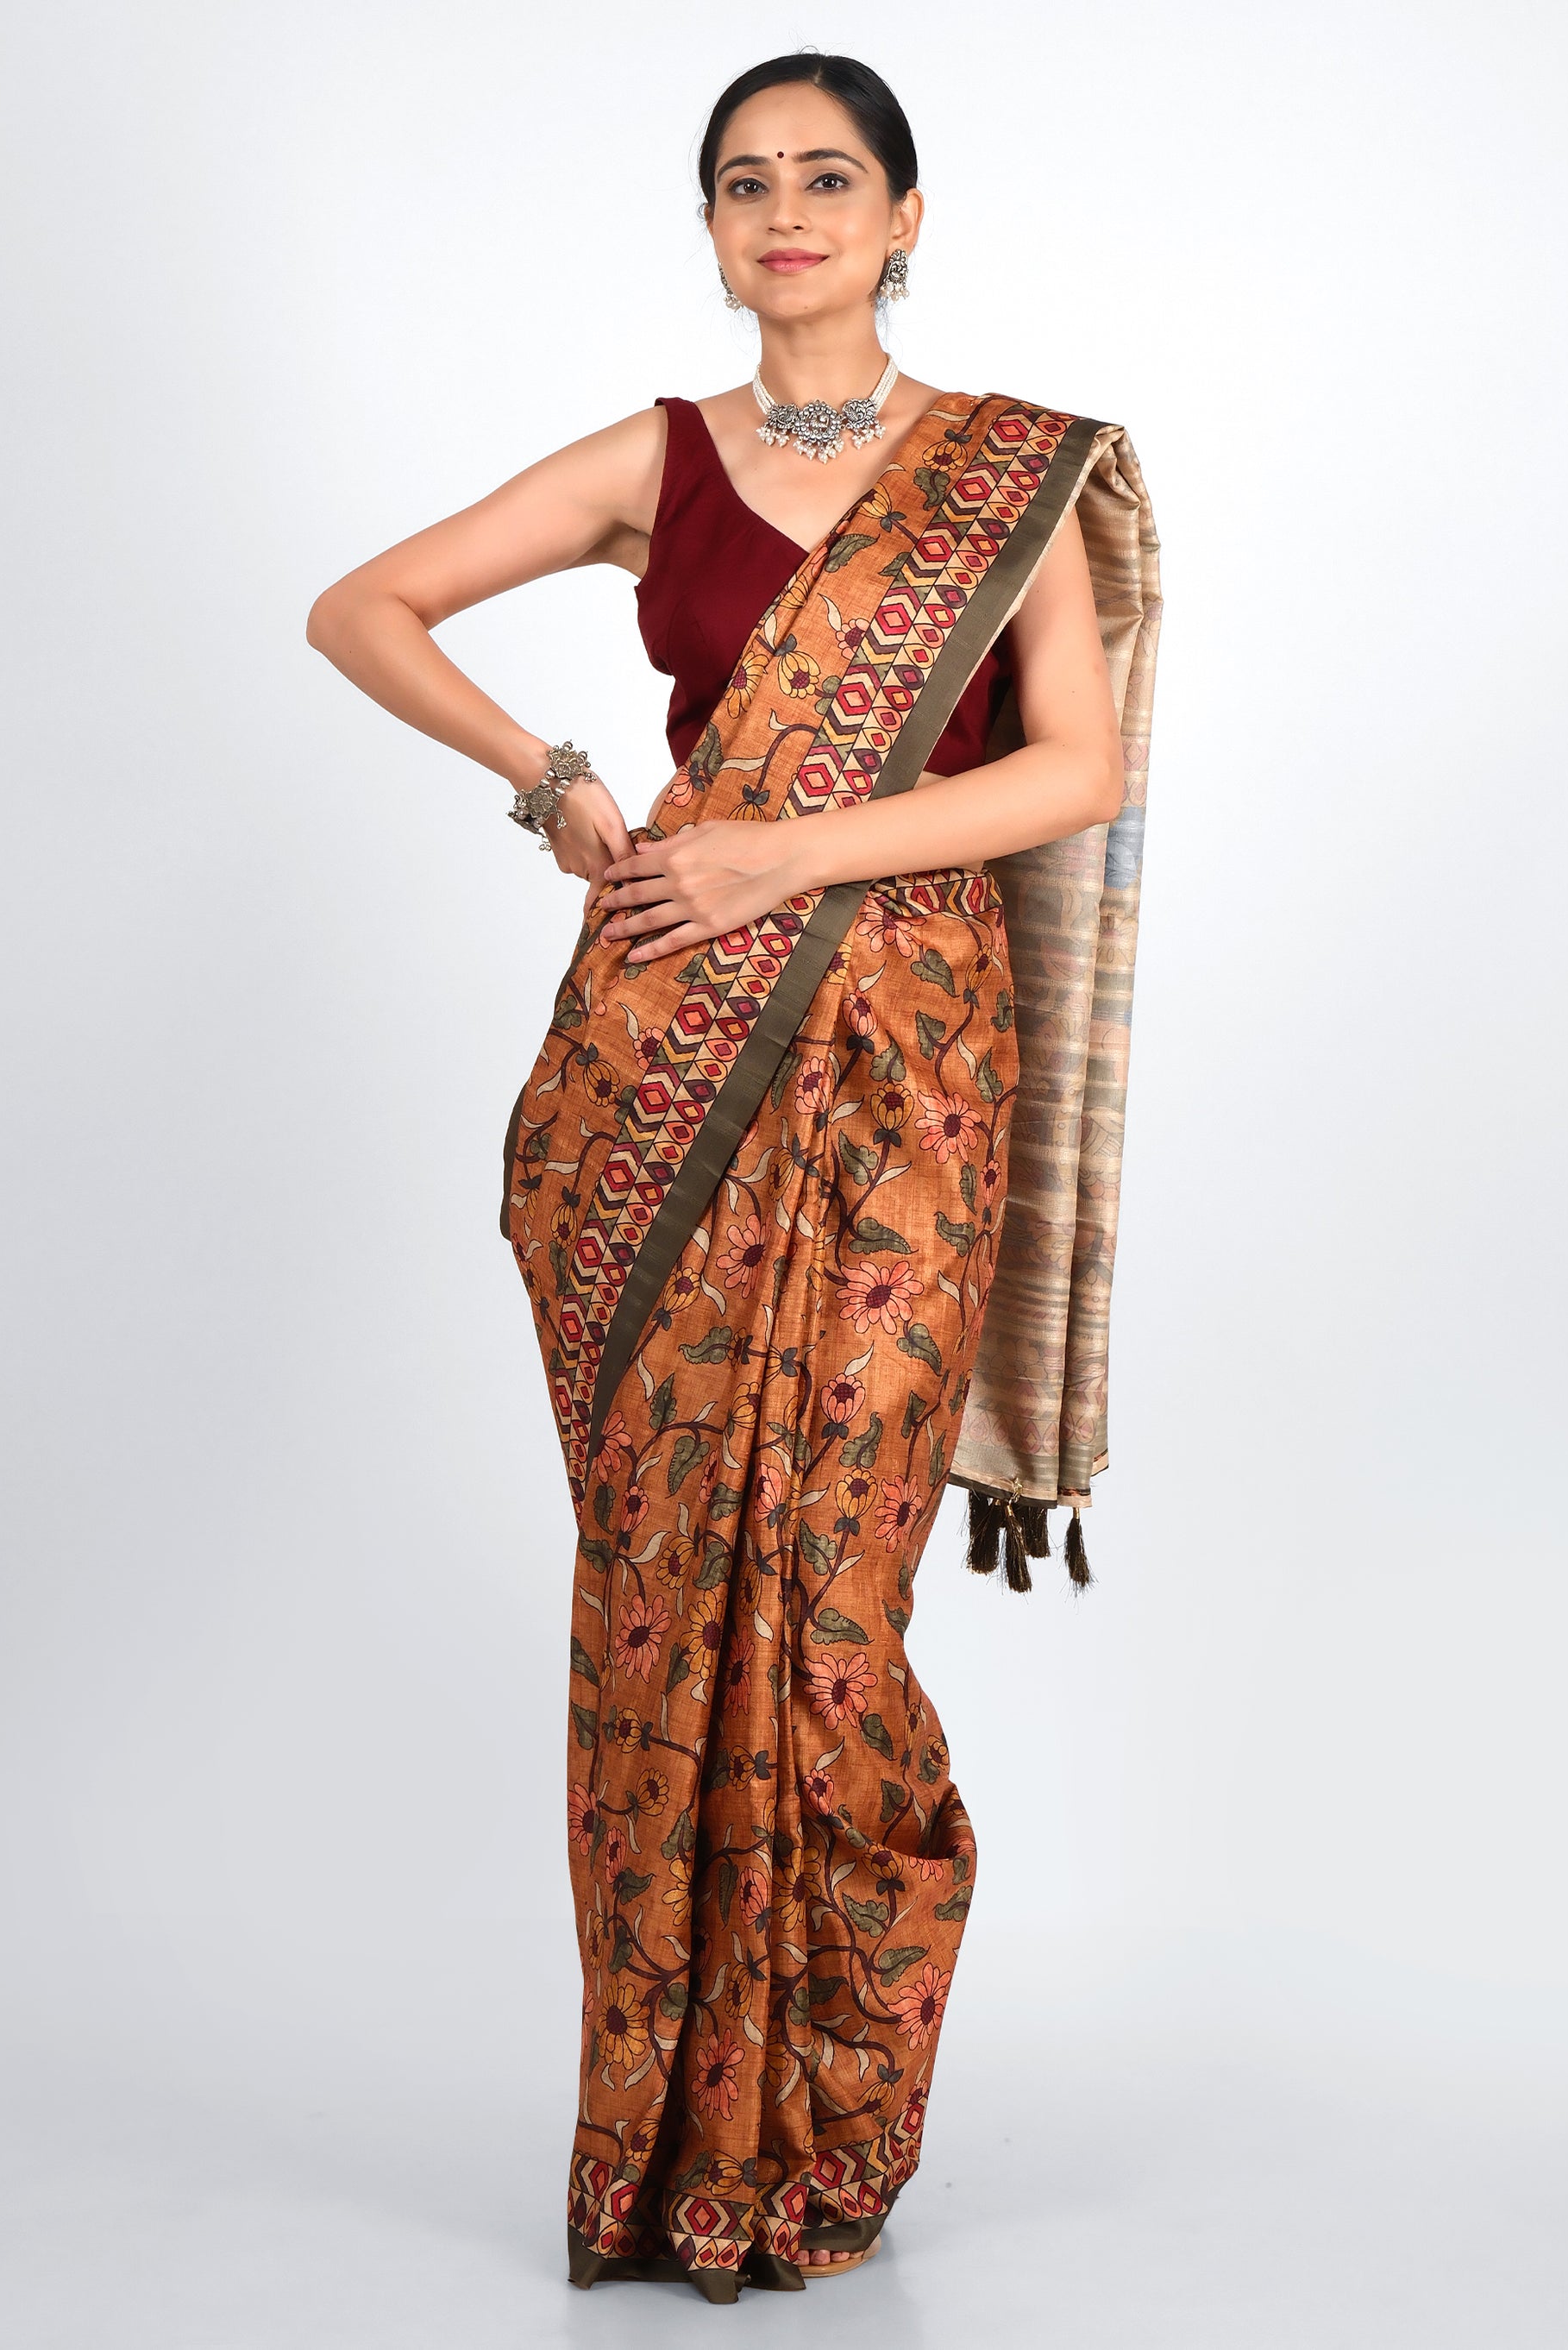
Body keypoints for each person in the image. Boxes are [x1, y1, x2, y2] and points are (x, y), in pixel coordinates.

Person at [308, 51, 1157, 2302]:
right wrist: (554, 780)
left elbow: (1072, 764)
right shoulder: (649, 463)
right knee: (670, 1578)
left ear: (902, 218)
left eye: (828, 178)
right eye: (742, 184)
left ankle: (839, 2106)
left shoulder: (1012, 480)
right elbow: (365, 607)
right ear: (711, 230)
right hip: (664, 1069)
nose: (784, 212)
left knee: (835, 1608)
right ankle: (669, 2141)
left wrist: (791, 841)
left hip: (909, 1065)